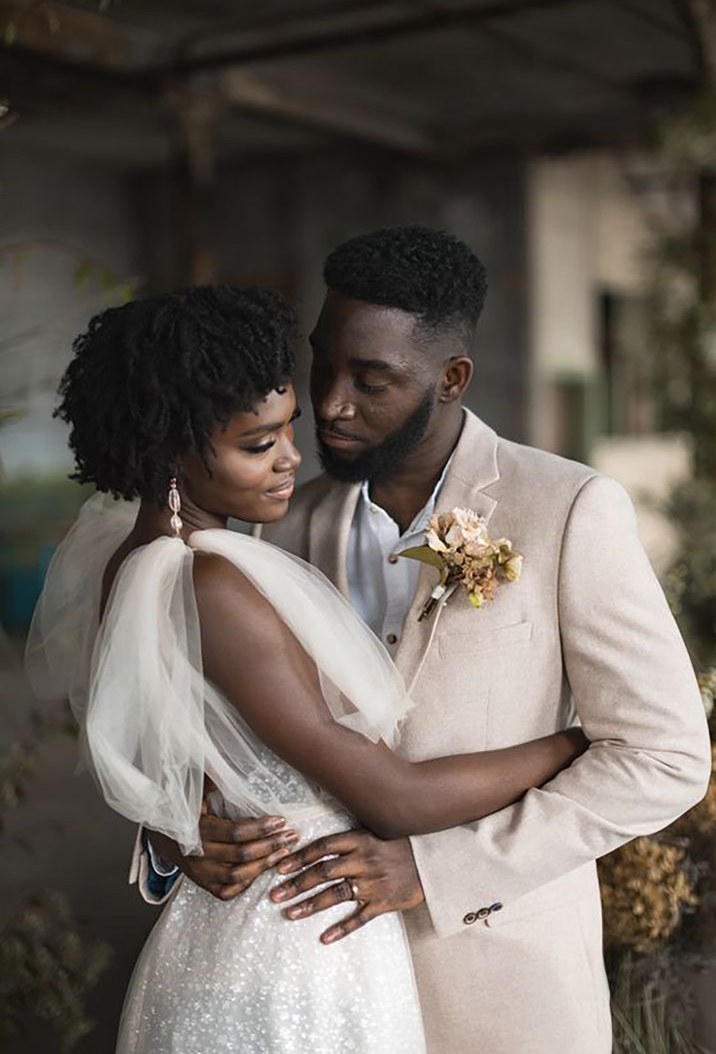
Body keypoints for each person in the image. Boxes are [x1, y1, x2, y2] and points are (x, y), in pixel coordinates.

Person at [139, 229, 712, 1054]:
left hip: (502, 987)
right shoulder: (273, 525)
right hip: (312, 986)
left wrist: (440, 872)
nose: (332, 402)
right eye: (323, 364)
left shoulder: (568, 508)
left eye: (371, 380)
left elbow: (666, 758)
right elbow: (191, 717)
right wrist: (175, 829)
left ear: (452, 379)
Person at [25, 284, 590, 1054]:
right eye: (258, 444)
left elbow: (185, 754)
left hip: (247, 931)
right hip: (299, 943)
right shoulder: (210, 582)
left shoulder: (137, 561)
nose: (294, 455)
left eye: (287, 429)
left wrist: (179, 828)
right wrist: (572, 744)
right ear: (171, 455)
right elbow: (392, 796)